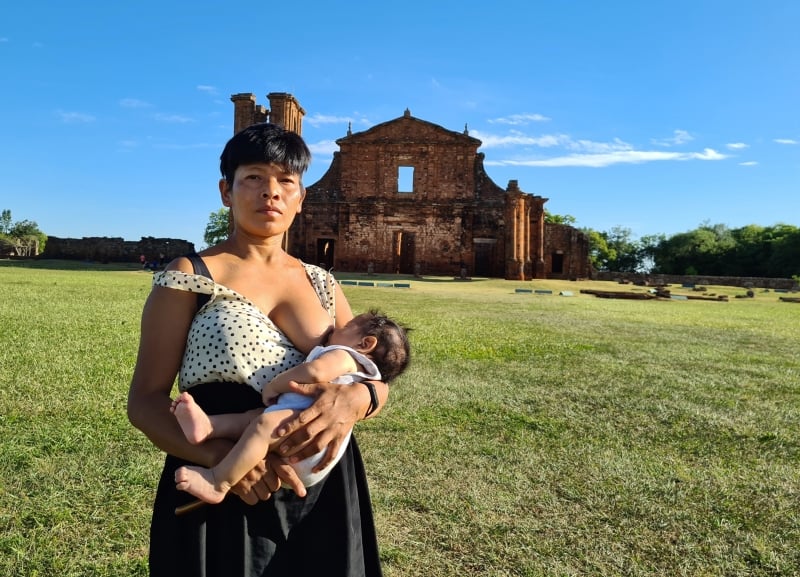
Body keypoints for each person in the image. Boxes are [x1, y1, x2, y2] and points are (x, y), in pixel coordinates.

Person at [127, 123, 392, 576]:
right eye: (253, 177)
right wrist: (225, 465)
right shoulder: (189, 276)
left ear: (300, 197)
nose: (271, 192)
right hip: (223, 485)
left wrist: (357, 400)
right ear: (226, 191)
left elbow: (375, 375)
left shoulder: (323, 284)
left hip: (322, 489)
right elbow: (145, 402)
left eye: (286, 181)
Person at [171, 310, 410, 504]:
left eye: (347, 327)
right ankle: (209, 426)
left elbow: (315, 371)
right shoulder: (359, 367)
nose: (337, 328)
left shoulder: (345, 356)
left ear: (366, 343)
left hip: (304, 436)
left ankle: (218, 481)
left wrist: (275, 385)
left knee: (262, 425)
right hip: (310, 448)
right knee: (253, 419)